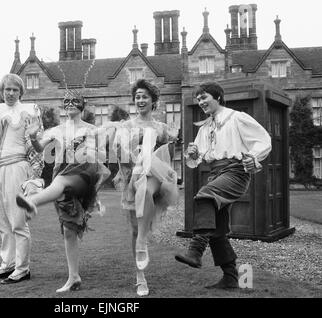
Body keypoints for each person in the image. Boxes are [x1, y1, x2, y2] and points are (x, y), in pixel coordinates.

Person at [174, 81, 272, 289]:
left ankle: (195, 250)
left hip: (236, 172)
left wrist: (252, 157)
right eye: (198, 99)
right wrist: (193, 154)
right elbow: (196, 159)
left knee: (204, 196)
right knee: (217, 231)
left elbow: (263, 140)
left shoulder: (237, 118)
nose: (200, 102)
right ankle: (231, 278)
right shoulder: (205, 127)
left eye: (204, 97)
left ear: (217, 97)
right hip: (217, 173)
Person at [15, 88, 110, 293]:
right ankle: (74, 277)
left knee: (59, 183)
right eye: (66, 102)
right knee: (68, 230)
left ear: (82, 105)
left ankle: (33, 201)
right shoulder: (56, 130)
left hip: (83, 174)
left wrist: (86, 149)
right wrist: (32, 136)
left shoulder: (92, 130)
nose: (69, 105)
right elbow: (40, 148)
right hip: (61, 177)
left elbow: (101, 156)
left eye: (74, 101)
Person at [111, 79, 179, 296]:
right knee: (134, 228)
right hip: (133, 178)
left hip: (156, 178)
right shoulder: (126, 127)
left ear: (153, 101)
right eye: (137, 96)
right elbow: (120, 157)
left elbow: (171, 155)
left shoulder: (162, 128)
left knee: (147, 189)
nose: (140, 100)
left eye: (144, 96)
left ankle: (143, 242)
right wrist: (122, 151)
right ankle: (140, 277)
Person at [0, 73, 44, 284]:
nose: (10, 93)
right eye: (7, 89)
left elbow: (38, 145)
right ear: (2, 91)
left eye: (15, 90)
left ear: (20, 92)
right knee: (2, 221)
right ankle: (7, 264)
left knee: (17, 220)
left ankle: (22, 268)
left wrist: (34, 174)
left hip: (18, 166)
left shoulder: (30, 110)